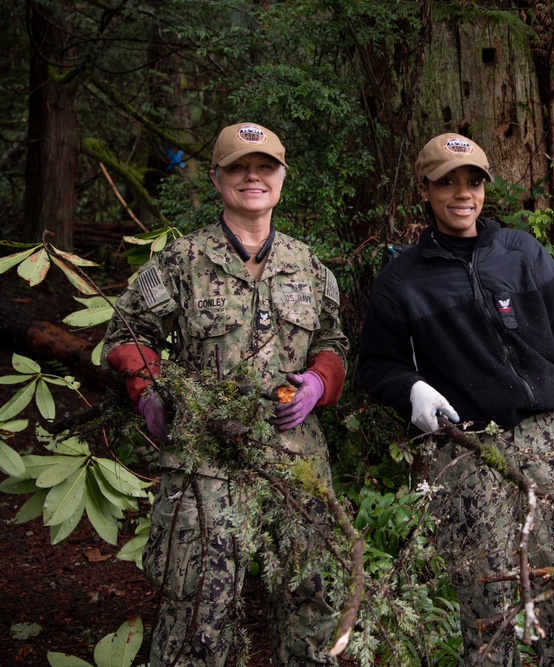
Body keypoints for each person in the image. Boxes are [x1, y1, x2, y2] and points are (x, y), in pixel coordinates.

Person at [102, 122, 348, 667]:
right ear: (217, 178)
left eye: (264, 167)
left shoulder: (309, 267)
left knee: (312, 609)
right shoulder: (181, 261)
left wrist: (317, 383)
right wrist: (149, 392)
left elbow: (334, 344)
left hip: (297, 466)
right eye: (238, 167)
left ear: (282, 178)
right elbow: (124, 333)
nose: (252, 177)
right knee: (197, 619)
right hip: (205, 467)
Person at [357, 133, 554, 666]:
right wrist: (412, 389)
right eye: (447, 181)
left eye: (472, 181)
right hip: (469, 452)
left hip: (549, 441)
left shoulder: (523, 253)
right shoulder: (403, 279)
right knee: (487, 601)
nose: (462, 193)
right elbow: (374, 365)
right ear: (425, 189)